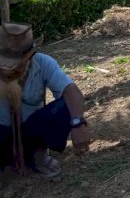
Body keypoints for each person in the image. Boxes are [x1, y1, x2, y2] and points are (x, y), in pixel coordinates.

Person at [0, 23, 92, 177]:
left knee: (63, 106)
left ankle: (38, 157)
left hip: (30, 131)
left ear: (29, 56)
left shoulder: (43, 63)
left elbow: (71, 91)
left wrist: (78, 124)